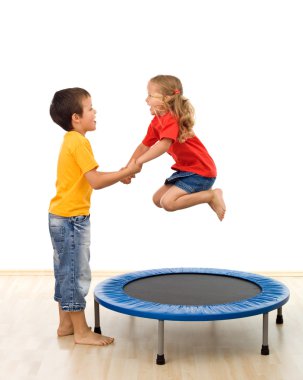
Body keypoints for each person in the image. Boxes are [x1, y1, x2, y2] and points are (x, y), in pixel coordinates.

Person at [48, 87, 141, 346]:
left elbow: (91, 179)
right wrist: (125, 172)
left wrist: (121, 173)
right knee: (75, 274)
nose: (95, 111)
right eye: (90, 108)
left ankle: (66, 324)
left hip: (60, 216)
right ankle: (81, 331)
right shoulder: (79, 142)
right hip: (71, 220)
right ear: (76, 117)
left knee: (65, 272)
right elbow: (96, 181)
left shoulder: (71, 140)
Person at [122, 75, 226, 221]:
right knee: (157, 200)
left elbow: (164, 145)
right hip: (187, 170)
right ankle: (206, 194)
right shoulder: (156, 122)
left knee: (168, 203)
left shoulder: (172, 118)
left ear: (165, 99)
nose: (146, 100)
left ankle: (211, 195)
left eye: (150, 95)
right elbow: (144, 146)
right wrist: (128, 168)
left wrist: (139, 162)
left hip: (201, 172)